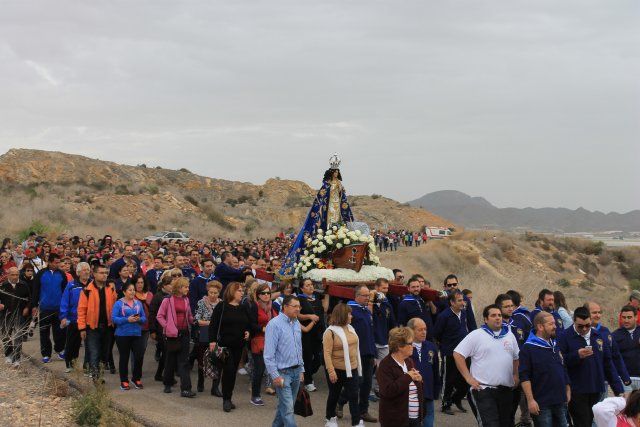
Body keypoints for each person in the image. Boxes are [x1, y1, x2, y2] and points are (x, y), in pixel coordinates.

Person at [279, 157, 355, 276]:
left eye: (337, 172)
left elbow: (343, 199)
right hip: (327, 210)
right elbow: (321, 199)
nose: (336, 173)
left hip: (337, 209)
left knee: (338, 224)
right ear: (331, 173)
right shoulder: (326, 185)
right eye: (334, 172)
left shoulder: (339, 184)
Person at [453, 304, 520, 427]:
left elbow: (516, 358)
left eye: (499, 315)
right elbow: (458, 354)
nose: (497, 318)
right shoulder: (476, 335)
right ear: (485, 319)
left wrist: (515, 375)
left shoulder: (510, 335)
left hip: (506, 390)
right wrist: (468, 378)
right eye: (493, 315)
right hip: (483, 390)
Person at [557, 306, 624, 427]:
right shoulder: (564, 336)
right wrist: (576, 355)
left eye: (587, 325)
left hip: (596, 388)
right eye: (580, 326)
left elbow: (608, 363)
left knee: (595, 422)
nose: (584, 329)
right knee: (583, 422)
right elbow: (559, 361)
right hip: (576, 389)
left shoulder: (599, 336)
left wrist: (618, 389)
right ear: (574, 321)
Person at [519, 311, 571, 427]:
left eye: (554, 323)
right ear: (540, 327)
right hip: (541, 404)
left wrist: (567, 389)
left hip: (560, 400)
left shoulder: (554, 345)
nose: (555, 326)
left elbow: (562, 367)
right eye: (551, 324)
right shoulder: (528, 348)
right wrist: (530, 400)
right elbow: (524, 377)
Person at [208, 281, 250, 412]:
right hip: (224, 346)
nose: (242, 293)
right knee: (229, 371)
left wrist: (248, 331)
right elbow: (213, 325)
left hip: (239, 346)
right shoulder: (221, 306)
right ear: (232, 292)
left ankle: (228, 397)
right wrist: (212, 341)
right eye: (239, 291)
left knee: (232, 373)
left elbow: (248, 323)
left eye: (242, 291)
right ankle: (226, 399)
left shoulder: (243, 307)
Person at [264, 295, 305, 427]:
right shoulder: (274, 325)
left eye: (299, 306)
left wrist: (301, 369)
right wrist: (275, 375)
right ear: (285, 307)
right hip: (283, 374)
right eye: (295, 306)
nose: (298, 309)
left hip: (296, 371)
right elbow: (268, 354)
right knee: (288, 410)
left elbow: (299, 348)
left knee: (285, 406)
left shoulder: (296, 323)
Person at [342, 284, 377, 423]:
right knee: (356, 382)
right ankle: (340, 402)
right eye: (365, 295)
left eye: (369, 295)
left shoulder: (366, 311)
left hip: (368, 352)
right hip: (356, 353)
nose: (368, 298)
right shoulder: (350, 310)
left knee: (367, 384)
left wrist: (373, 353)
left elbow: (370, 333)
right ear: (356, 296)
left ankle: (363, 411)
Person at [323, 303, 362, 427]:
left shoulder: (351, 328)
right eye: (349, 314)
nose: (351, 316)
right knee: (334, 395)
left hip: (352, 368)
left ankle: (356, 422)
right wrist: (331, 371)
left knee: (354, 395)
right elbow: (327, 353)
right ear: (342, 315)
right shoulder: (330, 332)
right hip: (336, 370)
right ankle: (330, 418)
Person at [156, 277, 196, 398]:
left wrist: (194, 321)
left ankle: (186, 389)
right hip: (172, 334)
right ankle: (167, 383)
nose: (188, 289)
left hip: (184, 333)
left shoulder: (186, 299)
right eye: (186, 287)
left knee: (184, 361)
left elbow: (189, 315)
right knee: (170, 360)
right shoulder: (167, 300)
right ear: (179, 288)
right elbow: (159, 316)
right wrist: (167, 327)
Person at [377, 326, 424, 427]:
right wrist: (408, 377)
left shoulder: (409, 361)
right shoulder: (385, 365)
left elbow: (413, 388)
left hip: (414, 419)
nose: (413, 346)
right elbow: (388, 391)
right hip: (395, 420)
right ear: (399, 346)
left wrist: (419, 380)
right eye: (410, 343)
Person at [77, 264, 118, 380]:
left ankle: (99, 375)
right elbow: (81, 310)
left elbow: (115, 306)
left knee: (104, 354)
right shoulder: (87, 290)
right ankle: (96, 378)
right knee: (94, 353)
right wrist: (82, 328)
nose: (104, 275)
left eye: (106, 273)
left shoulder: (110, 289)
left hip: (108, 327)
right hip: (92, 328)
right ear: (94, 274)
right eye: (101, 273)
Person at [433, 290, 469, 415]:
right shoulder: (444, 316)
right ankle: (445, 404)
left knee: (465, 379)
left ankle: (456, 399)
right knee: (449, 379)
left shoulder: (463, 313)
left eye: (463, 300)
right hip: (449, 352)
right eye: (459, 300)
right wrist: (445, 344)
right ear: (452, 302)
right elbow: (436, 333)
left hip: (464, 352)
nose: (463, 303)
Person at [587, 301, 631, 395]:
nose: (598, 315)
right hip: (586, 382)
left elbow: (615, 355)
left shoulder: (605, 331)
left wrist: (625, 376)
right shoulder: (579, 332)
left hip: (604, 381)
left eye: (599, 312)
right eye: (594, 313)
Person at [32, 253, 68, 363]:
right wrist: (34, 306)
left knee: (60, 331)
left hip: (58, 309)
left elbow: (65, 291)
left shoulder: (62, 274)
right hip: (44, 308)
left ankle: (60, 349)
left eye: (59, 262)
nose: (58, 264)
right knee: (44, 332)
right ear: (50, 262)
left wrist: (65, 306)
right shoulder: (41, 274)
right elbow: (35, 290)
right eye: (56, 262)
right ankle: (46, 354)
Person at [111, 282, 146, 390]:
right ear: (124, 292)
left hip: (137, 334)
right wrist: (127, 319)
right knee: (124, 357)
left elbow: (144, 318)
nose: (132, 292)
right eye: (130, 290)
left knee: (139, 356)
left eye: (133, 290)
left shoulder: (138, 303)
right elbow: (114, 318)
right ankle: (124, 381)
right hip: (122, 335)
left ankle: (136, 378)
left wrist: (139, 319)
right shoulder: (118, 304)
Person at [247, 282, 277, 405]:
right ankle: (255, 396)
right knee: (259, 369)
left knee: (272, 368)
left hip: (271, 341)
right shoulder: (254, 306)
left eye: (268, 293)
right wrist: (263, 328)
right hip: (258, 340)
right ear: (258, 295)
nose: (266, 295)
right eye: (263, 293)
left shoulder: (272, 306)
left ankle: (280, 394)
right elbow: (251, 324)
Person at [408, 318, 440, 427]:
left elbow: (435, 370)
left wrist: (436, 390)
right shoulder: (405, 348)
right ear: (411, 330)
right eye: (420, 330)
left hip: (427, 391)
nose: (424, 332)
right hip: (411, 394)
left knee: (429, 418)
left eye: (425, 329)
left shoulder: (431, 347)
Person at [59, 262, 91, 372]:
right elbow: (64, 301)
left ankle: (87, 367)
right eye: (84, 270)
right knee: (72, 343)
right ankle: (70, 364)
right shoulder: (71, 285)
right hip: (74, 318)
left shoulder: (92, 285)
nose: (86, 272)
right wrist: (63, 316)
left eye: (88, 270)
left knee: (90, 345)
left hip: (89, 319)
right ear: (78, 272)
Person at [298, 278, 325, 392]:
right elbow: (297, 315)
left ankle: (306, 373)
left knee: (318, 359)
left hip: (318, 332)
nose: (310, 287)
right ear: (302, 288)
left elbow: (324, 310)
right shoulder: (299, 299)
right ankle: (308, 381)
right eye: (307, 285)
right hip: (306, 333)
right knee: (307, 357)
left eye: (311, 284)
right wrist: (309, 316)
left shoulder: (317, 298)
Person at [194, 280, 222, 394]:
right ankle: (200, 382)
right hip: (204, 334)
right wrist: (211, 323)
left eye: (215, 293)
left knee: (218, 360)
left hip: (218, 336)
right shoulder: (201, 302)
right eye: (211, 292)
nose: (213, 295)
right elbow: (197, 319)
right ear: (207, 291)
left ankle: (215, 388)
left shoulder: (222, 304)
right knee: (202, 360)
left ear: (219, 293)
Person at [0, 266, 31, 366]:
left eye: (17, 274)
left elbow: (29, 298)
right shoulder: (3, 286)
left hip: (19, 314)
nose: (15, 277)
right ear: (8, 275)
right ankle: (9, 354)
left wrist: (27, 308)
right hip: (6, 314)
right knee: (6, 335)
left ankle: (17, 358)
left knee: (18, 336)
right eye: (12, 275)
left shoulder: (23, 285)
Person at [613, 306, 640, 380]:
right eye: (624, 317)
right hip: (624, 378)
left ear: (636, 317)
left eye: (629, 317)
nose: (626, 320)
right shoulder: (614, 336)